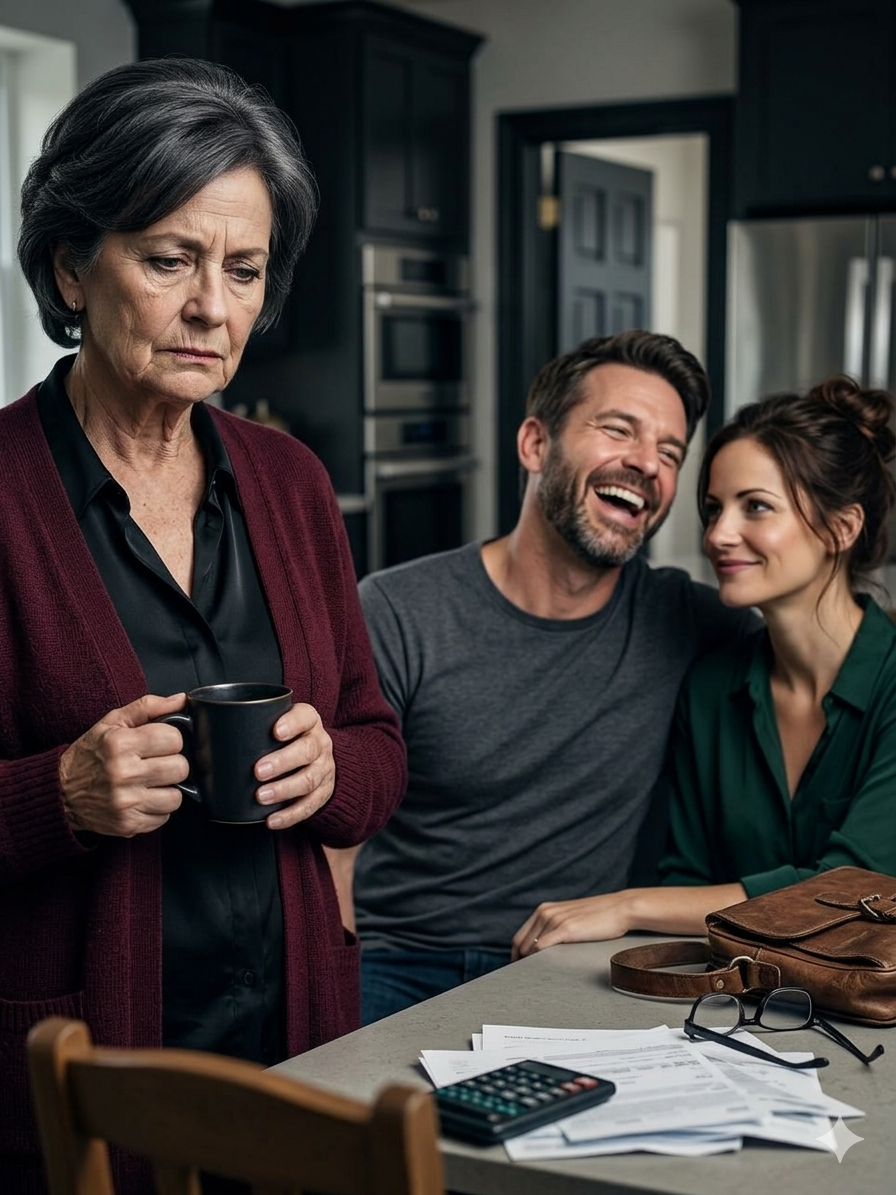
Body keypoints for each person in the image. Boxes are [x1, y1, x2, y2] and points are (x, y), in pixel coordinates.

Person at [0, 59, 406, 1194]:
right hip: (77, 1079)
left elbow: (376, 750)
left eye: (243, 269)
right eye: (169, 259)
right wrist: (56, 798)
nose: (211, 309)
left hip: (294, 1053)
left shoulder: (289, 482)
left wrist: (332, 770)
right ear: (73, 266)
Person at [332, 331, 756, 1025]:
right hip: (402, 963)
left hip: (576, 970)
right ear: (535, 444)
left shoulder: (685, 619)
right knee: (353, 1126)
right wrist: (334, 979)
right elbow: (333, 839)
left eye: (671, 452)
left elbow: (818, 639)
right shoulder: (398, 609)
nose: (647, 463)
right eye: (619, 429)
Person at [513, 376, 896, 957]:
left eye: (756, 508)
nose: (718, 535)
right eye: (714, 508)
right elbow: (688, 880)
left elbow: (849, 891)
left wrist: (627, 904)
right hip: (731, 1001)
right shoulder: (712, 687)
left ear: (841, 528)